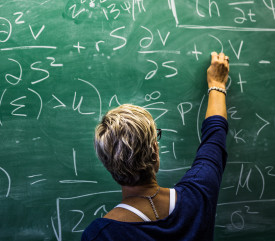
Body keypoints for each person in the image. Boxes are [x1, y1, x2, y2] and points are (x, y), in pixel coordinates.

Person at [82, 52, 230, 241]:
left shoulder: (102, 235)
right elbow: (215, 136)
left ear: (107, 163)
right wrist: (217, 84)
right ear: (155, 150)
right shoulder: (198, 194)